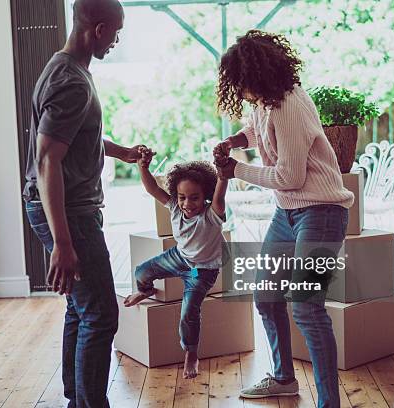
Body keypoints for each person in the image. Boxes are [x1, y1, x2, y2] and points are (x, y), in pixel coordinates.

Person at [213, 30, 354, 408]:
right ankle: (283, 380)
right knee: (267, 296)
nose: (239, 89)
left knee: (307, 307)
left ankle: (329, 404)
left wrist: (235, 171)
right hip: (287, 212)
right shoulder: (265, 101)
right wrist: (234, 143)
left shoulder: (289, 104)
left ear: (256, 76)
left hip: (322, 212)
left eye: (241, 81)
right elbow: (257, 130)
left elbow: (289, 177)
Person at [22, 1, 143, 406]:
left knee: (80, 309)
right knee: (102, 315)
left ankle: (78, 400)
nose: (117, 41)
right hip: (70, 213)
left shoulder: (65, 69)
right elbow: (47, 159)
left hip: (69, 208)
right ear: (99, 28)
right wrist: (63, 242)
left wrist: (122, 152)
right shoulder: (72, 81)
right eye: (117, 33)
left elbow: (73, 138)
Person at [124, 148, 228, 379]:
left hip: (202, 270)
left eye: (194, 197)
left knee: (188, 313)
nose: (187, 203)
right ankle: (146, 290)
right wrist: (143, 167)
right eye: (182, 197)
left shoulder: (211, 215)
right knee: (141, 272)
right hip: (178, 257)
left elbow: (220, 199)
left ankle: (191, 353)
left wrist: (222, 175)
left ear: (205, 196)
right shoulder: (173, 207)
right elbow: (152, 188)